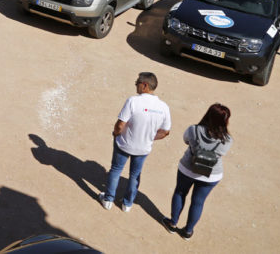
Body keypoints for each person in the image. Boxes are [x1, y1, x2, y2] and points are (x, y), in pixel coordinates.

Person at [98, 72, 171, 212]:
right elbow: (165, 132)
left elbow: (120, 125)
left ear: (144, 85)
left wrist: (115, 134)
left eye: (137, 83)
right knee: (135, 175)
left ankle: (108, 200)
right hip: (143, 148)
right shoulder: (164, 107)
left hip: (125, 144)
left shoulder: (133, 101)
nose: (135, 85)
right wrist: (149, 137)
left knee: (116, 170)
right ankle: (127, 204)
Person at [163, 104, 232, 240]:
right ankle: (188, 232)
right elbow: (221, 153)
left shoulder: (194, 130)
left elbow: (186, 140)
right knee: (198, 202)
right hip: (212, 175)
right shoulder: (227, 140)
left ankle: (172, 224)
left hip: (187, 168)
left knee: (180, 193)